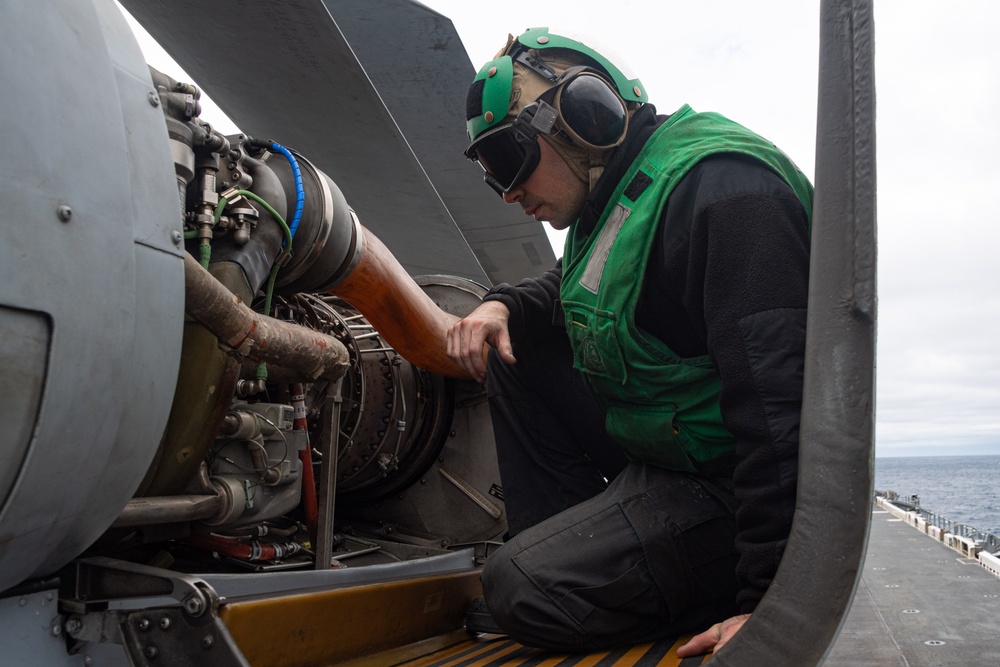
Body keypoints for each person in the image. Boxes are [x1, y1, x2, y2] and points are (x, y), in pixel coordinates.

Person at [446, 27, 812, 657]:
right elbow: (572, 283)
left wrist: (770, 599)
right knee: (517, 346)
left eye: (510, 161)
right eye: (492, 177)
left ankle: (572, 581)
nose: (508, 193)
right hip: (676, 456)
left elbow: (781, 411)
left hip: (737, 491)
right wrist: (503, 303)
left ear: (584, 118)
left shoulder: (723, 193)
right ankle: (567, 549)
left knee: (520, 591)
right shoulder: (620, 197)